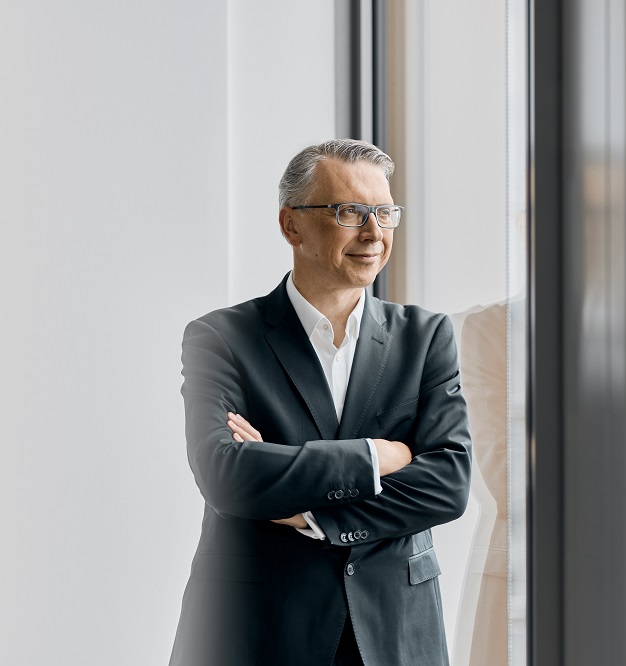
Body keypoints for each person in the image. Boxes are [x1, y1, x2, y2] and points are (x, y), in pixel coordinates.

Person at [169, 139, 472, 666]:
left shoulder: (424, 337)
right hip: (256, 626)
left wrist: (307, 509)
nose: (374, 233)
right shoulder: (221, 337)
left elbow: (447, 484)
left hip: (394, 629)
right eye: (350, 212)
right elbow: (225, 474)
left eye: (384, 212)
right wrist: (378, 457)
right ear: (291, 225)